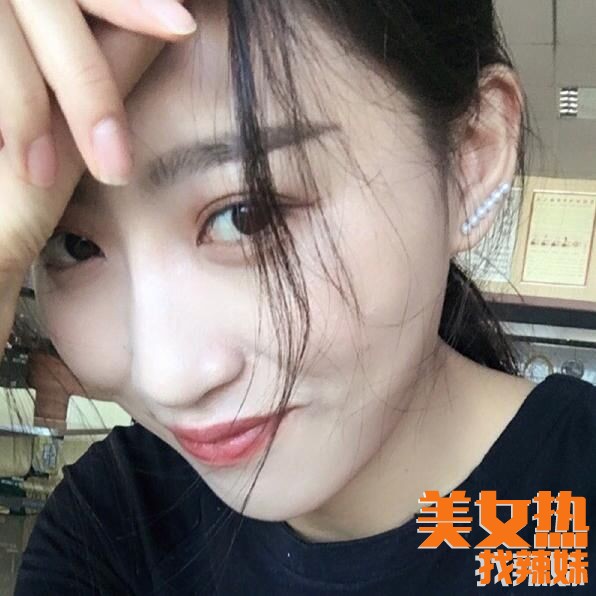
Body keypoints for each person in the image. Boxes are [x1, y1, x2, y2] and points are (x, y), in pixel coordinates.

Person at [0, 0, 594, 594]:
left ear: (470, 157)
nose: (168, 378)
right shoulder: (114, 524)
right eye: (73, 244)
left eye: (248, 215)